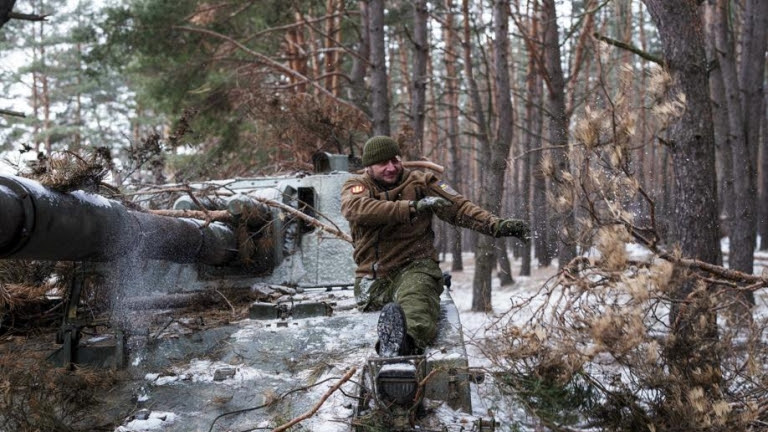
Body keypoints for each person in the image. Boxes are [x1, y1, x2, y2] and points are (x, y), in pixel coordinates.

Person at [341, 135, 530, 357]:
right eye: (383, 163)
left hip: (413, 266)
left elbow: (459, 207)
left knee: (418, 299)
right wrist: (412, 207)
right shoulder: (356, 186)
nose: (391, 168)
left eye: (395, 160)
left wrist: (496, 225)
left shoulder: (421, 183)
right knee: (379, 301)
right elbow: (357, 209)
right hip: (372, 279)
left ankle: (404, 344)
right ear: (369, 167)